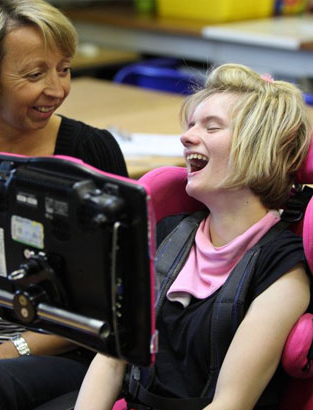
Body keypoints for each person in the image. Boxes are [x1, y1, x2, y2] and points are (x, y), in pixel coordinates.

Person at [74, 64, 313, 410]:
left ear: (259, 148)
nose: (186, 138)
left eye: (211, 127)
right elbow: (111, 360)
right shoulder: (168, 234)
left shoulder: (283, 271)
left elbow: (230, 403)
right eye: (190, 126)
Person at [0, 0, 128, 409]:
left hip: (68, 356)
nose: (57, 89)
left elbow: (116, 305)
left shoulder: (90, 151)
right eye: (34, 74)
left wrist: (4, 352)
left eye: (63, 69)